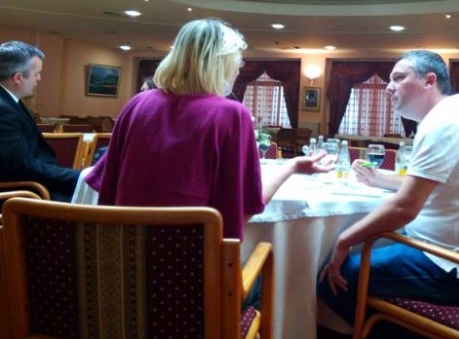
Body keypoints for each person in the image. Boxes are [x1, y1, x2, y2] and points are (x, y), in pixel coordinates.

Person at [317, 50, 459, 339]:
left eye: (398, 78)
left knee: (333, 277)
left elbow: (405, 207)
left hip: (455, 266)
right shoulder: (454, 115)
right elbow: (435, 185)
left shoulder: (445, 125)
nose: (388, 87)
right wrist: (381, 179)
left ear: (429, 81)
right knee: (367, 246)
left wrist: (345, 239)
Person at [86, 18, 331, 240]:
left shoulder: (136, 105)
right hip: (192, 269)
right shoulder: (231, 115)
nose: (239, 68)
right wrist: (292, 167)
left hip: (125, 264)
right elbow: (241, 214)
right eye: (238, 61)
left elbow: (105, 191)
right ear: (223, 63)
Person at [0, 41, 80, 202]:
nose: (39, 79)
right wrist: (80, 177)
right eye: (37, 73)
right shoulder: (3, 109)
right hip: (23, 195)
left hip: (30, 188)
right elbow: (22, 168)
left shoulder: (9, 101)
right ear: (18, 78)